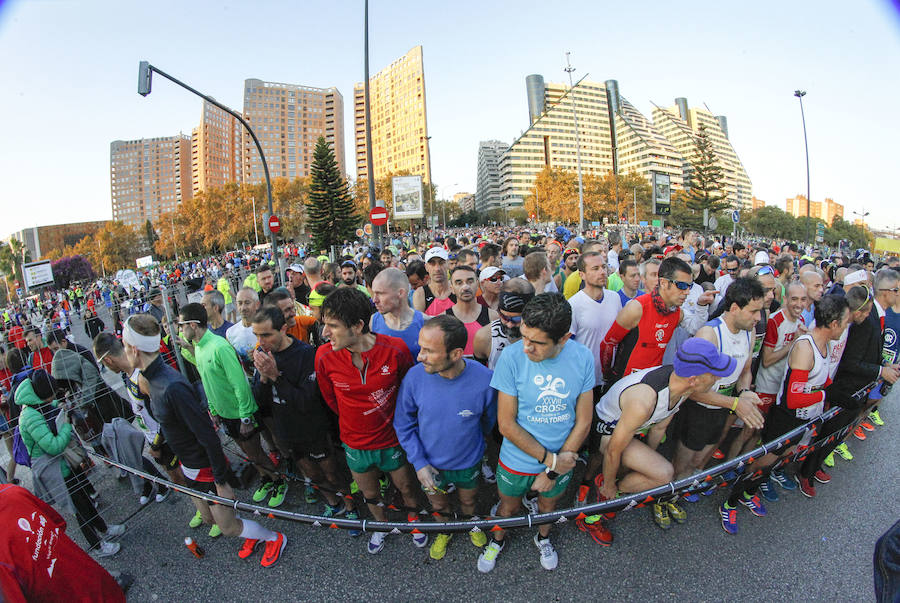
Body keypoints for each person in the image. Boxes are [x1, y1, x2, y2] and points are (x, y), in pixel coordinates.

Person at [122, 314, 287, 565]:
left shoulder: (171, 386)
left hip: (204, 466)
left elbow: (208, 436)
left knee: (228, 526)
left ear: (134, 348)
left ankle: (272, 537)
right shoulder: (148, 379)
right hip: (188, 464)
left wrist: (221, 480)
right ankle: (245, 529)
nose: (123, 352)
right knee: (210, 519)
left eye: (124, 346)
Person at [478, 293, 594, 573]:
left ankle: (542, 537)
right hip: (518, 460)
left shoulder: (583, 357)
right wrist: (552, 462)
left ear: (564, 338)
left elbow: (584, 420)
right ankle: (497, 540)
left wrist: (553, 470)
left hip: (561, 457)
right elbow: (506, 424)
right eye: (524, 336)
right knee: (507, 507)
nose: (526, 347)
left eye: (538, 343)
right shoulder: (512, 357)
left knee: (548, 507)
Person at [719, 295, 850, 534]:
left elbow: (823, 380)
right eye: (845, 322)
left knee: (779, 460)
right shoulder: (805, 348)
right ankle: (730, 502)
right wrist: (825, 395)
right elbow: (794, 398)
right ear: (833, 324)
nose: (845, 327)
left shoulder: (825, 344)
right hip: (787, 419)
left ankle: (749, 493)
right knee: (763, 463)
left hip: (806, 419)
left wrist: (834, 392)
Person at [586, 338, 738, 541]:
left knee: (655, 471)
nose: (717, 380)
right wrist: (610, 486)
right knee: (664, 474)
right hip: (606, 432)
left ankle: (617, 486)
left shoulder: (682, 385)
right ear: (694, 379)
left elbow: (659, 427)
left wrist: (644, 461)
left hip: (629, 429)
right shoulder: (644, 402)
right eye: (714, 374)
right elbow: (614, 449)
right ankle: (597, 503)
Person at [314, 287, 424, 554]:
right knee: (370, 493)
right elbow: (331, 400)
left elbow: (407, 391)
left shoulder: (394, 350)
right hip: (354, 443)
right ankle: (381, 525)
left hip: (392, 439)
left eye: (332, 326)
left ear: (359, 325)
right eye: (324, 324)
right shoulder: (323, 356)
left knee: (406, 486)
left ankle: (415, 519)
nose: (324, 333)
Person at [394, 315, 497, 560]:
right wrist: (419, 463)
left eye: (429, 351)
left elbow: (488, 422)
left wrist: (478, 446)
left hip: (468, 462)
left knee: (469, 502)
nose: (419, 356)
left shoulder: (485, 380)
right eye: (421, 348)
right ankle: (444, 530)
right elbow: (403, 424)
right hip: (429, 464)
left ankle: (471, 522)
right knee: (438, 506)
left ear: (456, 353)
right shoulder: (414, 377)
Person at [250, 306, 357, 522]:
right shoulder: (262, 354)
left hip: (313, 429)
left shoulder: (305, 354)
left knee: (332, 472)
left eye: (266, 334)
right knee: (312, 474)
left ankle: (350, 506)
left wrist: (275, 376)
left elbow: (307, 401)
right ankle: (333, 503)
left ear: (283, 329)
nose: (261, 341)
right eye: (257, 335)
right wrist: (262, 378)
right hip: (286, 431)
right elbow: (261, 403)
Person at [177, 303, 285, 508]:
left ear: (192, 324)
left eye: (182, 325)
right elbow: (208, 382)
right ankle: (267, 478)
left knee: (256, 453)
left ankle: (279, 481)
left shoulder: (219, 346)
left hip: (240, 413)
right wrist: (215, 410)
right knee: (249, 454)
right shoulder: (199, 348)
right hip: (226, 414)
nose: (180, 330)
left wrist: (245, 417)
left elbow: (240, 384)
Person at [672, 278, 766, 504]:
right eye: (754, 311)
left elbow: (745, 371)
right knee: (683, 462)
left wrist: (743, 392)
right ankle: (668, 495)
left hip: (723, 407)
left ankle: (689, 485)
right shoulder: (710, 335)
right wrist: (735, 403)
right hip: (698, 408)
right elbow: (691, 390)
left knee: (701, 459)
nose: (758, 318)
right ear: (734, 308)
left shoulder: (748, 331)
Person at [15, 369, 125, 557]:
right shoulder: (30, 416)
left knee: (84, 497)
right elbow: (54, 446)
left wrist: (61, 404)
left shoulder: (35, 403)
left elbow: (48, 408)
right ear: (42, 394)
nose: (52, 398)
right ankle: (97, 546)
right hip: (54, 468)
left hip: (63, 464)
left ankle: (104, 528)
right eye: (52, 395)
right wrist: (66, 424)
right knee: (78, 509)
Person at [0, 484, 128, 601]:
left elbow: (58, 523)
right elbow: (58, 524)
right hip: (100, 585)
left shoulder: (13, 493)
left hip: (100, 587)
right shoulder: (13, 492)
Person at [92, 333, 174, 506]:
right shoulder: (126, 375)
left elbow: (165, 413)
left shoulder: (140, 376)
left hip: (165, 440)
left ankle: (210, 510)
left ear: (107, 361)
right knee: (177, 478)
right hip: (154, 438)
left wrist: (157, 444)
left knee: (182, 477)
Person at [370, 267, 425, 358]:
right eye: (374, 293)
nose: (375, 300)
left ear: (400, 293)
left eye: (380, 293)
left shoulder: (425, 322)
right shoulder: (373, 322)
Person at [445, 266, 495, 357]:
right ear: (452, 288)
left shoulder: (493, 317)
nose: (465, 287)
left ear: (477, 284)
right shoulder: (442, 320)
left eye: (470, 281)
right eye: (459, 282)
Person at [226, 287, 261, 375]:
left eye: (247, 303)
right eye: (240, 303)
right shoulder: (230, 333)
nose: (243, 307)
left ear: (257, 304)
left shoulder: (268, 327)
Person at [413, 248, 455, 316]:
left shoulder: (457, 289)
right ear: (426, 267)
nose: (437, 268)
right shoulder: (420, 294)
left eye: (441, 263)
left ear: (448, 264)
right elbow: (420, 324)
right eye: (432, 264)